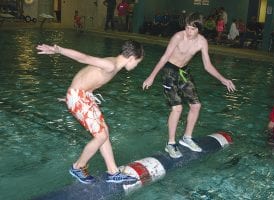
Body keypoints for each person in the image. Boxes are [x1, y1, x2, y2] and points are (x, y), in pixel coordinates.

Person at [36, 40, 144, 184]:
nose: (137, 66)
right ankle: (78, 167)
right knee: (101, 135)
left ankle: (113, 172)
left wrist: (75, 94)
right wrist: (58, 50)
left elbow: (88, 76)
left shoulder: (114, 65)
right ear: (132, 58)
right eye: (138, 62)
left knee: (104, 131)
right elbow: (84, 58)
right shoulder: (110, 65)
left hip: (82, 95)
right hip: (79, 96)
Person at [142, 12, 236, 159]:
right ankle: (171, 144)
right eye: (187, 28)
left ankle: (187, 138)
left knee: (196, 105)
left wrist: (223, 79)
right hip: (169, 70)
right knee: (177, 108)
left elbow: (207, 66)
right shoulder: (178, 37)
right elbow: (164, 57)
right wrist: (151, 77)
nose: (189, 32)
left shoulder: (202, 42)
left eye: (192, 29)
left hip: (183, 72)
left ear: (199, 29)